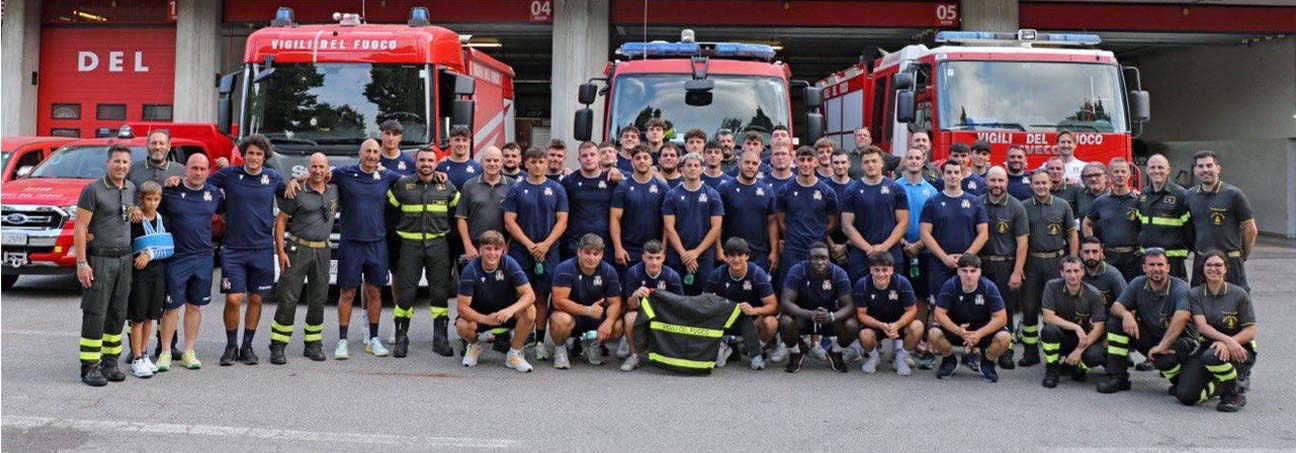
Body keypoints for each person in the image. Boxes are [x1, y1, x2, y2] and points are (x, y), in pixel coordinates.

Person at [210, 135, 286, 366]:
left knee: (255, 298)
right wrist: (222, 209)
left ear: (265, 157)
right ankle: (231, 346)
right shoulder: (230, 174)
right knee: (234, 298)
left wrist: (298, 180)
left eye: (259, 154)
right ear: (244, 154)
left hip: (262, 248)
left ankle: (247, 346)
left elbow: (289, 196)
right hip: (233, 248)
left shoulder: (272, 177)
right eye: (251, 153)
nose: (254, 157)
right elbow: (207, 185)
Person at [388, 148, 460, 358]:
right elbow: (389, 212)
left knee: (439, 294)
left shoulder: (446, 185)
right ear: (415, 162)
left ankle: (440, 339)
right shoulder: (402, 185)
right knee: (406, 294)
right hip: (409, 247)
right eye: (422, 160)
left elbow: (460, 211)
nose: (426, 164)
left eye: (430, 160)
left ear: (436, 163)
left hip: (438, 246)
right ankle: (401, 338)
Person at [74, 144, 137, 386]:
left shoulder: (131, 188)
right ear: (107, 163)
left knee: (118, 313)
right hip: (100, 260)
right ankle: (90, 366)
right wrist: (82, 263)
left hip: (125, 259)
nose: (121, 166)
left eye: (125, 162)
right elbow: (80, 227)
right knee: (96, 312)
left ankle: (110, 362)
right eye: (117, 161)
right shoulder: (93, 190)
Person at [1097, 249, 1198, 395]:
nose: (1156, 269)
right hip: (1153, 337)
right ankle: (1118, 377)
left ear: (1168, 267)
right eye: (1151, 265)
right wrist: (1126, 315)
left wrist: (1162, 346)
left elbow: (1181, 318)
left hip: (1181, 340)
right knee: (1115, 322)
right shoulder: (1138, 283)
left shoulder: (1180, 288)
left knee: (1163, 360)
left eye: (1160, 264)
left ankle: (1180, 381)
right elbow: (1116, 307)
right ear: (1144, 268)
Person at [268, 153, 335, 365]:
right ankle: (278, 346)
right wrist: (281, 252)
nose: (317, 171)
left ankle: (313, 344)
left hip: (323, 251)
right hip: (298, 249)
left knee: (318, 298)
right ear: (308, 168)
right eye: (314, 167)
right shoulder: (296, 191)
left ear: (327, 169)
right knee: (289, 298)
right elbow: (280, 223)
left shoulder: (335, 190)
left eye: (321, 167)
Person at [158, 154, 223, 371]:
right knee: (171, 307)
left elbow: (226, 215)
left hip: (203, 257)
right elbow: (152, 212)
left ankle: (189, 351)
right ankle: (166, 352)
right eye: (194, 168)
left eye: (202, 169)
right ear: (186, 169)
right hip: (177, 257)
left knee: (194, 306)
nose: (198, 172)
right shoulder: (171, 191)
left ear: (208, 171)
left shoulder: (213, 193)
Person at [503, 147, 569, 360]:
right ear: (527, 164)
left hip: (548, 252)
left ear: (546, 164)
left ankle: (540, 341)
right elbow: (509, 221)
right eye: (533, 161)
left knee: (542, 297)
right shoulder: (516, 189)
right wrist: (530, 244)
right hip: (522, 252)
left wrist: (546, 245)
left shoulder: (557, 189)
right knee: (522, 296)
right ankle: (521, 339)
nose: (538, 165)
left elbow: (562, 220)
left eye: (541, 161)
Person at [1180, 251, 1257, 412]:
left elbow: (1250, 330)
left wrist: (1229, 343)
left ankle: (1234, 393)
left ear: (1226, 269)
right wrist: (1224, 341)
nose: (1213, 268)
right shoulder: (1196, 294)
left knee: (1212, 356)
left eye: (1218, 265)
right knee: (1186, 396)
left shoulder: (1239, 294)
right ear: (1203, 269)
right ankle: (1219, 386)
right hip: (1209, 346)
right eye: (1209, 265)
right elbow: (1201, 326)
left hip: (1239, 348)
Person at [1019, 169, 1079, 367]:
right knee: (1029, 307)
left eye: (1044, 183)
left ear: (1051, 184)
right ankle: (1030, 353)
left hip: (1056, 262)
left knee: (1054, 308)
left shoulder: (1062, 206)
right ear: (1031, 184)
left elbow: (1072, 234)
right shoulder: (1023, 207)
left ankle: (1053, 354)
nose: (1041, 186)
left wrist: (1073, 259)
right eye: (1037, 183)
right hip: (1032, 263)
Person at [919, 159, 990, 327]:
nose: (953, 176)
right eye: (949, 172)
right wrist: (944, 258)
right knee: (937, 306)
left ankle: (970, 346)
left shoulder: (974, 201)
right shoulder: (932, 202)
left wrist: (967, 257)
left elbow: (983, 233)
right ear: (942, 176)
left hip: (967, 266)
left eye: (956, 172)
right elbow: (924, 233)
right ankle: (934, 346)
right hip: (939, 264)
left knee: (971, 305)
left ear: (962, 176)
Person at [456, 230, 537, 372]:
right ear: (480, 250)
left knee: (530, 310)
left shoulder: (509, 263)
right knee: (462, 325)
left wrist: (510, 310)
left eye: (496, 249)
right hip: (481, 316)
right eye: (488, 248)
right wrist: (486, 319)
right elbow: (462, 308)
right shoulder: (470, 270)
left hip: (507, 314)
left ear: (503, 250)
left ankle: (514, 353)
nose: (492, 253)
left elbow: (530, 295)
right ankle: (474, 346)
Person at [929, 254, 1013, 382]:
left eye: (973, 271)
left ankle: (987, 361)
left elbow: (1001, 318)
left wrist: (979, 334)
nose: (969, 275)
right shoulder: (950, 285)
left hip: (982, 331)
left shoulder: (988, 287)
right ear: (958, 271)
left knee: (1005, 338)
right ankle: (949, 360)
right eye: (964, 271)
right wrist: (958, 331)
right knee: (933, 333)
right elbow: (939, 314)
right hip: (957, 329)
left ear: (979, 272)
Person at [700, 238, 779, 370]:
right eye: (731, 255)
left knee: (771, 323)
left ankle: (754, 349)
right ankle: (723, 344)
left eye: (740, 255)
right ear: (726, 257)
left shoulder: (757, 273)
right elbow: (703, 301)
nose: (736, 260)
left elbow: (773, 305)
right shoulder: (717, 274)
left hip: (751, 321)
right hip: (725, 320)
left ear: (747, 256)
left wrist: (755, 310)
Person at [779, 243, 858, 373]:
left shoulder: (838, 273)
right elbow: (785, 303)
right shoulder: (797, 271)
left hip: (829, 319)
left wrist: (831, 316)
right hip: (804, 317)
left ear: (829, 258)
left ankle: (836, 353)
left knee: (852, 325)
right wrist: (810, 314)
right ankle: (795, 353)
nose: (820, 262)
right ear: (808, 258)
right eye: (815, 258)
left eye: (824, 258)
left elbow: (849, 306)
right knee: (785, 321)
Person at [978, 166, 1028, 369]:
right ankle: (983, 348)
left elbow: (1022, 243)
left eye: (1000, 181)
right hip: (981, 264)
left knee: (1005, 310)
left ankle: (1006, 351)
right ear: (986, 181)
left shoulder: (1016, 207)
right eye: (993, 180)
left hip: (1005, 265)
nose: (997, 185)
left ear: (1007, 182)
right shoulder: (977, 202)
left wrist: (1017, 271)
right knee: (981, 308)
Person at [549, 234, 624, 369]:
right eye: (587, 253)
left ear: (601, 255)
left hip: (596, 317)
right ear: (579, 251)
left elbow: (616, 302)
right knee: (559, 320)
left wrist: (608, 322)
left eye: (596, 254)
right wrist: (588, 310)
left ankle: (592, 342)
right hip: (572, 316)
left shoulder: (608, 271)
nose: (591, 258)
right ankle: (560, 349)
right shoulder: (564, 269)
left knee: (618, 326)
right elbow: (558, 302)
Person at [1186, 150, 1257, 290]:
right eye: (1200, 166)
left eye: (1209, 165)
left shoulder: (1233, 194)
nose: (1205, 170)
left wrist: (1241, 255)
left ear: (1218, 168)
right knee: (1199, 303)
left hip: (1229, 262)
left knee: (1237, 304)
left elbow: (1251, 229)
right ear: (1195, 170)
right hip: (1202, 261)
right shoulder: (1190, 195)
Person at [840, 146, 909, 284]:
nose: (871, 165)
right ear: (861, 165)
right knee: (860, 296)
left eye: (874, 161)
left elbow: (904, 223)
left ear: (882, 163)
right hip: (861, 254)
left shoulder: (896, 189)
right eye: (866, 162)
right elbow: (846, 225)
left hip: (891, 252)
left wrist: (884, 247)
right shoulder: (851, 191)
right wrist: (868, 249)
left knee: (894, 296)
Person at [897, 147, 940, 368]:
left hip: (924, 252)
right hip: (899, 250)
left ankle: (919, 340)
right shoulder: (895, 187)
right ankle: (899, 342)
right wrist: (904, 243)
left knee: (922, 298)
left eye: (918, 158)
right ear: (905, 161)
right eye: (910, 157)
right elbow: (892, 220)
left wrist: (919, 244)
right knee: (899, 295)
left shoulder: (932, 191)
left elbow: (935, 224)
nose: (914, 161)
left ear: (924, 161)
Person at [775, 146, 839, 291]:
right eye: (802, 160)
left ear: (816, 162)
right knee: (789, 287)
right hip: (793, 249)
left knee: (815, 288)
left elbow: (832, 222)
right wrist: (793, 235)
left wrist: (818, 233)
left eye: (809, 160)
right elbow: (781, 220)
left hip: (818, 248)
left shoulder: (827, 191)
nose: (805, 164)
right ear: (795, 161)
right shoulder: (785, 190)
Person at [1040, 256, 1108, 388]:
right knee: (1049, 330)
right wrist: (1076, 327)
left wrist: (1079, 350)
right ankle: (1052, 370)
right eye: (1068, 271)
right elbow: (1047, 317)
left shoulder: (1094, 294)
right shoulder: (1052, 286)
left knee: (1095, 355)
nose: (1073, 275)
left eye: (1076, 271)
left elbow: (1099, 328)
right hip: (1063, 336)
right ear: (1061, 273)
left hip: (1084, 340)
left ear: (1083, 272)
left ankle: (1078, 366)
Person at [663, 152, 724, 295]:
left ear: (702, 169)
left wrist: (696, 253)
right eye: (689, 165)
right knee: (677, 298)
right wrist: (684, 254)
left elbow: (716, 227)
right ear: (681, 170)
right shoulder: (672, 195)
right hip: (678, 256)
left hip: (704, 256)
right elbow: (669, 227)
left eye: (696, 165)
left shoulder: (713, 194)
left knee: (703, 298)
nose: (692, 168)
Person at [618, 240, 685, 370]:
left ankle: (669, 354)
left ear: (663, 258)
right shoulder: (634, 272)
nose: (654, 262)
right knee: (629, 318)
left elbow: (680, 306)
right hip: (641, 313)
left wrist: (665, 298)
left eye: (658, 258)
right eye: (650, 258)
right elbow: (630, 306)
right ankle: (634, 355)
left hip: (665, 314)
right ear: (644, 257)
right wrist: (636, 294)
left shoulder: (672, 276)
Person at [125, 181, 169, 378]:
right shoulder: (136, 220)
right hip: (140, 274)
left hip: (158, 272)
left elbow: (168, 247)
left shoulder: (163, 219)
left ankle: (144, 354)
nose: (152, 203)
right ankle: (136, 358)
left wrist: (150, 253)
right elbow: (132, 246)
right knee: (138, 317)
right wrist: (143, 254)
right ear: (141, 200)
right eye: (148, 199)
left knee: (151, 316)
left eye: (156, 199)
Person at [853, 252, 921, 375]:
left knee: (917, 327)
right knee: (864, 334)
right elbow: (861, 314)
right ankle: (874, 357)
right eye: (877, 270)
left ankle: (900, 358)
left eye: (885, 270)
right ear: (871, 270)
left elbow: (912, 310)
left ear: (891, 269)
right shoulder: (861, 284)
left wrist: (897, 325)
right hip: (876, 326)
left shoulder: (902, 282)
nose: (881, 274)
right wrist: (881, 325)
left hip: (898, 325)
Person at [716, 150, 779, 273]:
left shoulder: (767, 191)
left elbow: (772, 223)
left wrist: (774, 251)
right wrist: (718, 249)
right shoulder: (725, 189)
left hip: (759, 253)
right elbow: (717, 224)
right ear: (739, 164)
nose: (751, 166)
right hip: (731, 253)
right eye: (747, 162)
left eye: (754, 163)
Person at [610, 144, 670, 271]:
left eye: (645, 157)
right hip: (629, 249)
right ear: (632, 162)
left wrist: (664, 249)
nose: (642, 161)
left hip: (655, 249)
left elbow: (668, 223)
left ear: (651, 161)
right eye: (637, 158)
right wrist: (618, 248)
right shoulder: (622, 187)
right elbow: (615, 219)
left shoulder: (663, 187)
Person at [377, 120, 416, 315]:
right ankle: (369, 327)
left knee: (398, 275)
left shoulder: (409, 162)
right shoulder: (372, 158)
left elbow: (416, 185)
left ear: (400, 137)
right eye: (387, 133)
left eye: (395, 134)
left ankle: (397, 321)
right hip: (375, 225)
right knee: (370, 277)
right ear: (381, 135)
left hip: (402, 226)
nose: (391, 138)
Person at [1082, 158, 1141, 280]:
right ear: (1109, 175)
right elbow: (1087, 223)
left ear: (1129, 174)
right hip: (1109, 258)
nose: (1120, 175)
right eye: (1116, 172)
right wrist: (1095, 249)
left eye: (1123, 172)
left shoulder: (1138, 200)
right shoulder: (1101, 201)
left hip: (1133, 259)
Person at [456, 146, 516, 263]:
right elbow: (461, 218)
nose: (492, 164)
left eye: (496, 160)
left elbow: (516, 220)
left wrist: (508, 246)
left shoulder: (512, 186)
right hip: (475, 249)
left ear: (502, 162)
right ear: (481, 162)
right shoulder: (469, 185)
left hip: (502, 249)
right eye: (488, 160)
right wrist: (468, 246)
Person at [561, 142, 618, 262]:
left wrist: (620, 175)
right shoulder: (569, 181)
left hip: (603, 243)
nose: (589, 158)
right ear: (579, 159)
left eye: (592, 154)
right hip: (575, 243)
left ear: (599, 157)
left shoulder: (611, 180)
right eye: (585, 156)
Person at [1137, 154, 1192, 278]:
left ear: (1168, 170)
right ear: (1147, 170)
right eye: (1152, 167)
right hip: (1148, 260)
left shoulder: (1181, 195)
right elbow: (1139, 225)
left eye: (1160, 167)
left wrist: (1182, 253)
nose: (1156, 171)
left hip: (1172, 262)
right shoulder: (1143, 195)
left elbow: (1190, 230)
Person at [127, 129, 185, 200]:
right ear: (148, 145)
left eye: (161, 143)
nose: (157, 147)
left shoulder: (181, 171)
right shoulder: (133, 170)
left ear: (169, 146)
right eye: (154, 143)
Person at [1079, 237, 1128, 309]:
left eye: (1095, 251)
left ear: (1101, 252)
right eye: (1086, 252)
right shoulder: (1075, 273)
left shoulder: (1113, 274)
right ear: (1080, 253)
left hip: (1109, 316)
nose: (1091, 256)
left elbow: (1127, 302)